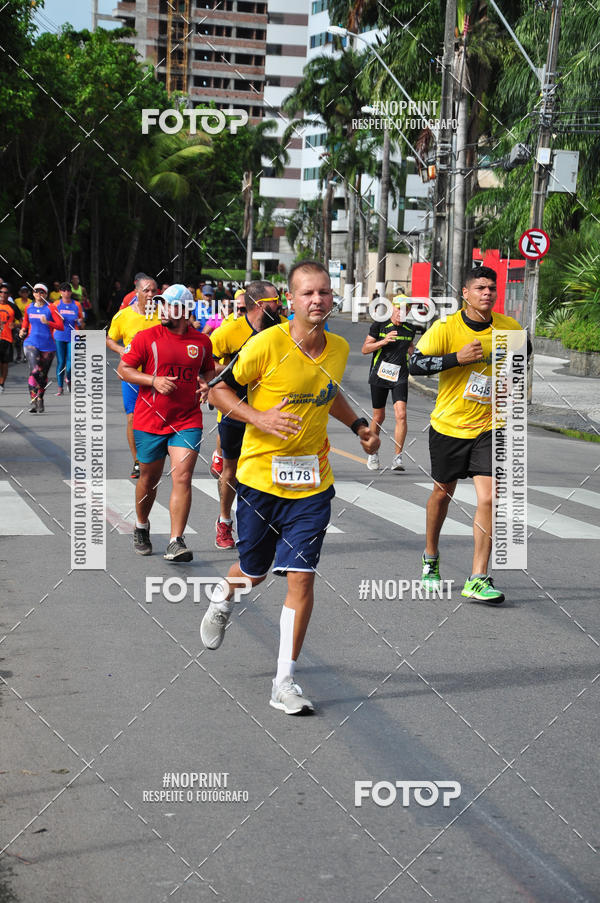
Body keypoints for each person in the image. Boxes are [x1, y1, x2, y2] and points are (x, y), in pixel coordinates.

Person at [200, 260, 379, 715]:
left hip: (313, 484)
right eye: (307, 294)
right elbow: (217, 391)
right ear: (291, 300)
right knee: (254, 572)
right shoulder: (266, 345)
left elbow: (329, 390)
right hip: (261, 479)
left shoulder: (338, 347)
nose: (317, 300)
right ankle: (224, 597)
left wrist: (357, 422)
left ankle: (284, 681)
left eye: (324, 292)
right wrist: (258, 417)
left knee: (301, 577)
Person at [409, 266, 526, 605]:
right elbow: (415, 364)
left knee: (489, 499)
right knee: (442, 495)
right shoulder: (446, 328)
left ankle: (478, 576)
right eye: (480, 288)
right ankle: (430, 557)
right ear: (465, 293)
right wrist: (455, 359)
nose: (487, 293)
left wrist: (510, 385)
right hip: (449, 426)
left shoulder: (509, 327)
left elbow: (523, 358)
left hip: (491, 427)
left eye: (492, 288)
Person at [117, 284, 215, 561]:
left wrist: (207, 385)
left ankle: (176, 541)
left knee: (182, 476)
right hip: (149, 420)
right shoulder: (146, 337)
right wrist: (153, 380)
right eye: (161, 304)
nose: (162, 309)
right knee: (149, 478)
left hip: (187, 420)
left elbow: (208, 368)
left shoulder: (201, 342)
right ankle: (141, 526)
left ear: (185, 310)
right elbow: (123, 370)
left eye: (170, 305)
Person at [209, 280, 286, 550]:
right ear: (262, 305)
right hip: (237, 410)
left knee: (268, 469)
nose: (281, 304)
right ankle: (224, 521)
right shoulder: (229, 332)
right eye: (276, 300)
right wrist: (235, 369)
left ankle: (267, 524)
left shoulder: (283, 328)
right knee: (230, 471)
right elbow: (207, 363)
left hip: (271, 411)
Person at [106, 276, 161, 478]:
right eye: (146, 290)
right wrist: (121, 350)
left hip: (158, 375)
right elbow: (110, 339)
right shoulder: (123, 316)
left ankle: (155, 456)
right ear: (136, 292)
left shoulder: (162, 314)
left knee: (158, 416)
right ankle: (137, 460)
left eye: (153, 291)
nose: (150, 294)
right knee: (132, 417)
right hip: (132, 374)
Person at [361, 297, 418, 472]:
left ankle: (397, 458)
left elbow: (409, 346)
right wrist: (384, 341)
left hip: (399, 376)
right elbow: (365, 349)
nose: (401, 312)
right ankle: (373, 452)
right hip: (379, 375)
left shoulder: (410, 329)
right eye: (398, 308)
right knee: (379, 417)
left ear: (408, 311)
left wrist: (418, 355)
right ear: (392, 308)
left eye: (405, 309)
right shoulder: (379, 325)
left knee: (401, 415)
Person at [19, 283, 64, 412]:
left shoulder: (51, 308)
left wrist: (48, 322)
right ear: (33, 294)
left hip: (48, 346)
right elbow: (25, 324)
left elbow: (60, 326)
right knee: (34, 371)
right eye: (36, 291)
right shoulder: (29, 308)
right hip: (31, 343)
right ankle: (34, 400)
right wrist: (22, 331)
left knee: (42, 374)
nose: (39, 294)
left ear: (46, 294)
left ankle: (40, 399)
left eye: (42, 292)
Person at [53, 282, 84, 395]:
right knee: (61, 362)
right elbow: (51, 320)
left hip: (73, 335)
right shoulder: (56, 304)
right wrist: (58, 320)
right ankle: (60, 387)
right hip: (59, 335)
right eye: (64, 290)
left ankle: (69, 378)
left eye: (69, 290)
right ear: (60, 292)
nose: (67, 292)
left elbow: (82, 321)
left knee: (71, 361)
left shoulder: (77, 304)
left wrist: (80, 322)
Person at [0, 288, 15, 392]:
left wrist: (15, 325)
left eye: (6, 292)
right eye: (1, 292)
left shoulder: (12, 306)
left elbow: (22, 320)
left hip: (7, 338)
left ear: (9, 294)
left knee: (5, 363)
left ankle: (1, 383)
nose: (3, 294)